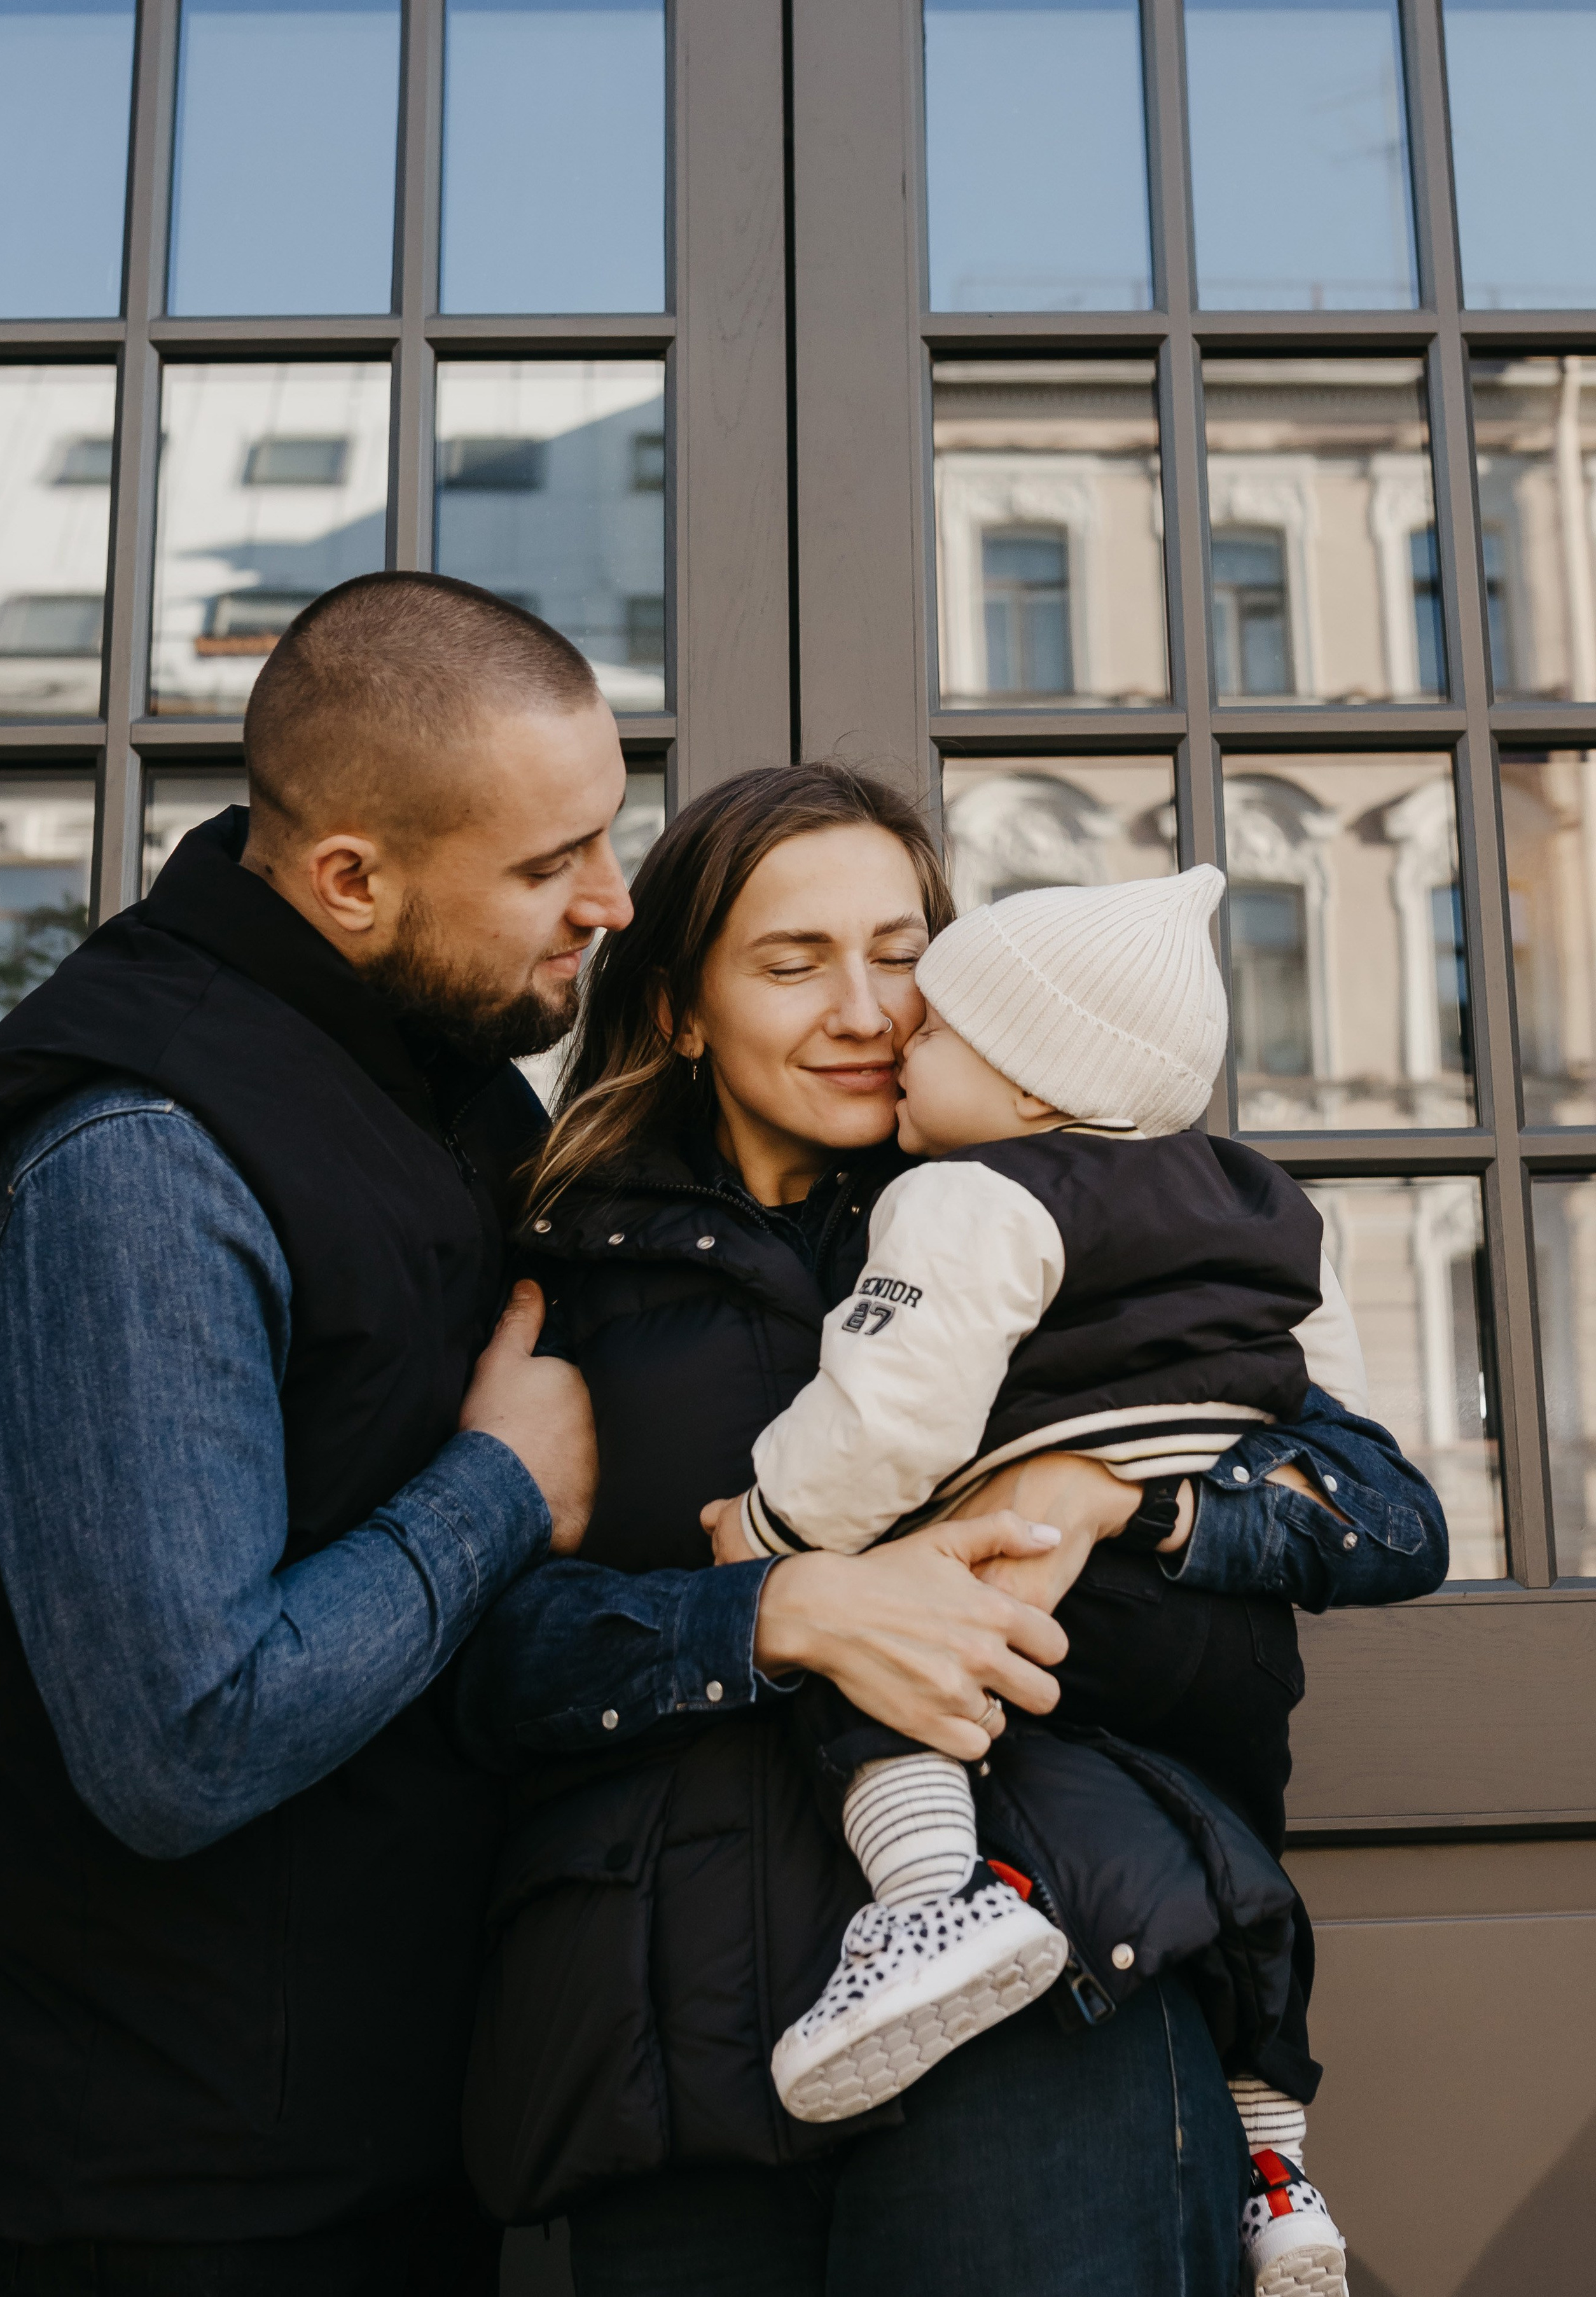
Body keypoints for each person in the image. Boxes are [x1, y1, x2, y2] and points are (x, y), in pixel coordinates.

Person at [0, 579, 1076, 2295]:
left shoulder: (461, 1091)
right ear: (353, 879)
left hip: (411, 2122)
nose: (609, 904)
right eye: (551, 864)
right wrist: (502, 1488)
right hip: (166, 2183)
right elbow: (182, 1735)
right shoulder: (138, 1150)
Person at [452, 762, 1448, 2297]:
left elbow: (1382, 1518)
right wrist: (776, 1613)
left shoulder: (1093, 1225)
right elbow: (486, 1666)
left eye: (902, 953)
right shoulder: (558, 1277)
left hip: (1061, 2008)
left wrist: (1113, 1494)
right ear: (677, 1012)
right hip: (673, 2037)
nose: (867, 1011)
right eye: (792, 965)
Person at [705, 864, 1354, 2296]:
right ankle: (1275, 2162)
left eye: (930, 1022)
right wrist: (1181, 1500)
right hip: (1228, 1629)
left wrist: (765, 1524)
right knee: (1227, 1859)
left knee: (879, 1642)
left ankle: (937, 1899)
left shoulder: (966, 1193)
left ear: (1029, 1079)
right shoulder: (1272, 1202)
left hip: (1030, 1591)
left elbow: (891, 1417)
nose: (896, 1039)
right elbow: (1339, 1429)